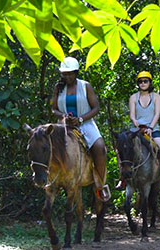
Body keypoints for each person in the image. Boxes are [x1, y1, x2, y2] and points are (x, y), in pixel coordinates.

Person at [50, 56, 110, 201]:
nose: (67, 76)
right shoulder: (58, 88)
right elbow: (53, 109)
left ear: (76, 73)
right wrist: (63, 117)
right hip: (64, 125)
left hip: (85, 124)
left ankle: (100, 185)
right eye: (65, 73)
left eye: (70, 73)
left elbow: (96, 108)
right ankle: (53, 181)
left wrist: (81, 118)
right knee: (48, 147)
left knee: (100, 147)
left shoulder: (85, 86)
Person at [117, 71, 160, 190]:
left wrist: (150, 128)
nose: (143, 83)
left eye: (145, 81)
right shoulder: (133, 97)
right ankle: (122, 179)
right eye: (140, 81)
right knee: (120, 148)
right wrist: (136, 123)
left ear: (150, 82)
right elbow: (132, 115)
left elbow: (157, 114)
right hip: (136, 130)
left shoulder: (156, 97)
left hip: (153, 129)